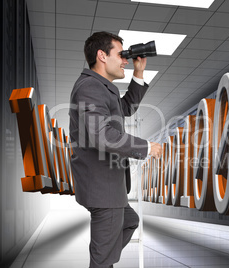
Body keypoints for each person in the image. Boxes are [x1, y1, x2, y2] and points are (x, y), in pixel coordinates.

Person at [69, 31, 162, 268]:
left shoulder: (100, 87)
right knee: (103, 261)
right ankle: (101, 260)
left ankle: (103, 256)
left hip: (106, 187)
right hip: (103, 189)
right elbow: (103, 136)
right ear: (101, 55)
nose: (124, 61)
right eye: (120, 55)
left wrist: (139, 72)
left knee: (129, 221)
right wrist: (146, 147)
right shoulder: (90, 87)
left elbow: (125, 108)